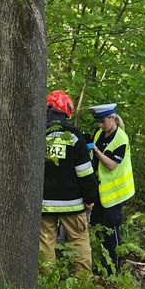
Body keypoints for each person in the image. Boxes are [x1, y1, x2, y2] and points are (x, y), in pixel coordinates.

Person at [41, 90, 99, 275]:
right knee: (79, 241)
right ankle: (83, 284)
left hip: (44, 203)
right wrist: (90, 197)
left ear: (48, 107)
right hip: (73, 202)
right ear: (67, 111)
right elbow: (84, 172)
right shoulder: (74, 135)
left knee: (45, 243)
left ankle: (46, 285)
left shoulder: (37, 133)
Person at [87, 103, 134, 273]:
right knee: (98, 225)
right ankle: (102, 264)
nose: (100, 125)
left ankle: (115, 267)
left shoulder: (121, 138)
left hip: (116, 192)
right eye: (98, 122)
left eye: (102, 121)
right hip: (101, 190)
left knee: (111, 229)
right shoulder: (99, 133)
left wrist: (97, 151)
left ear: (112, 118)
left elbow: (112, 165)